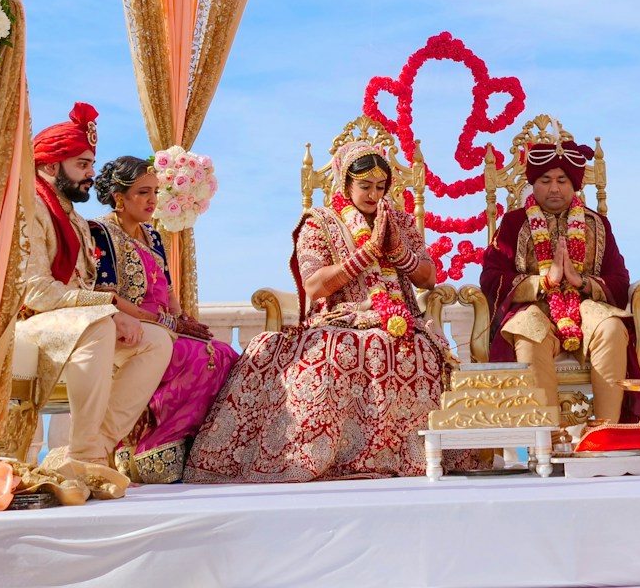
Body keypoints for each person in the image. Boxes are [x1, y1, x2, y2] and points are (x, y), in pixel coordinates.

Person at [185, 145, 452, 482]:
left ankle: (412, 456)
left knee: (422, 352)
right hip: (339, 318)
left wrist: (397, 250)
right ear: (346, 184)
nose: (373, 194)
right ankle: (317, 458)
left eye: (380, 187)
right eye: (365, 186)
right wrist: (366, 254)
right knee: (336, 352)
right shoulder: (321, 222)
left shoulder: (397, 220)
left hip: (399, 317)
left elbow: (428, 278)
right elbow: (314, 286)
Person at [15, 104, 172, 490]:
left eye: (90, 165)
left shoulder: (69, 214)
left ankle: (96, 450)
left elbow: (83, 286)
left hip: (68, 317)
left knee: (156, 341)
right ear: (51, 167)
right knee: (99, 327)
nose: (90, 175)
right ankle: (84, 455)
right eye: (82, 165)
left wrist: (109, 306)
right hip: (31, 317)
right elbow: (35, 290)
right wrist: (104, 308)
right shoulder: (30, 208)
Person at [85, 154, 238, 483]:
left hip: (161, 326)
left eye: (155, 191)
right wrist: (164, 323)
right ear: (119, 198)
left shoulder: (152, 236)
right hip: (130, 328)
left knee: (222, 353)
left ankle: (183, 454)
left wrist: (183, 318)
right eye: (142, 192)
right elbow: (107, 294)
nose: (152, 200)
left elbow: (166, 290)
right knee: (197, 357)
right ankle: (151, 449)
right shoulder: (101, 232)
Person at [479, 137, 640, 423]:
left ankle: (607, 431)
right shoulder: (514, 223)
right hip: (536, 306)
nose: (554, 188)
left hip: (587, 306)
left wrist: (582, 282)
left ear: (574, 185)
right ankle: (547, 434)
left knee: (612, 329)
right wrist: (542, 282)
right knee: (530, 333)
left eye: (562, 180)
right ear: (533, 183)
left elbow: (619, 278)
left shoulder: (597, 224)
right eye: (545, 180)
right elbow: (491, 278)